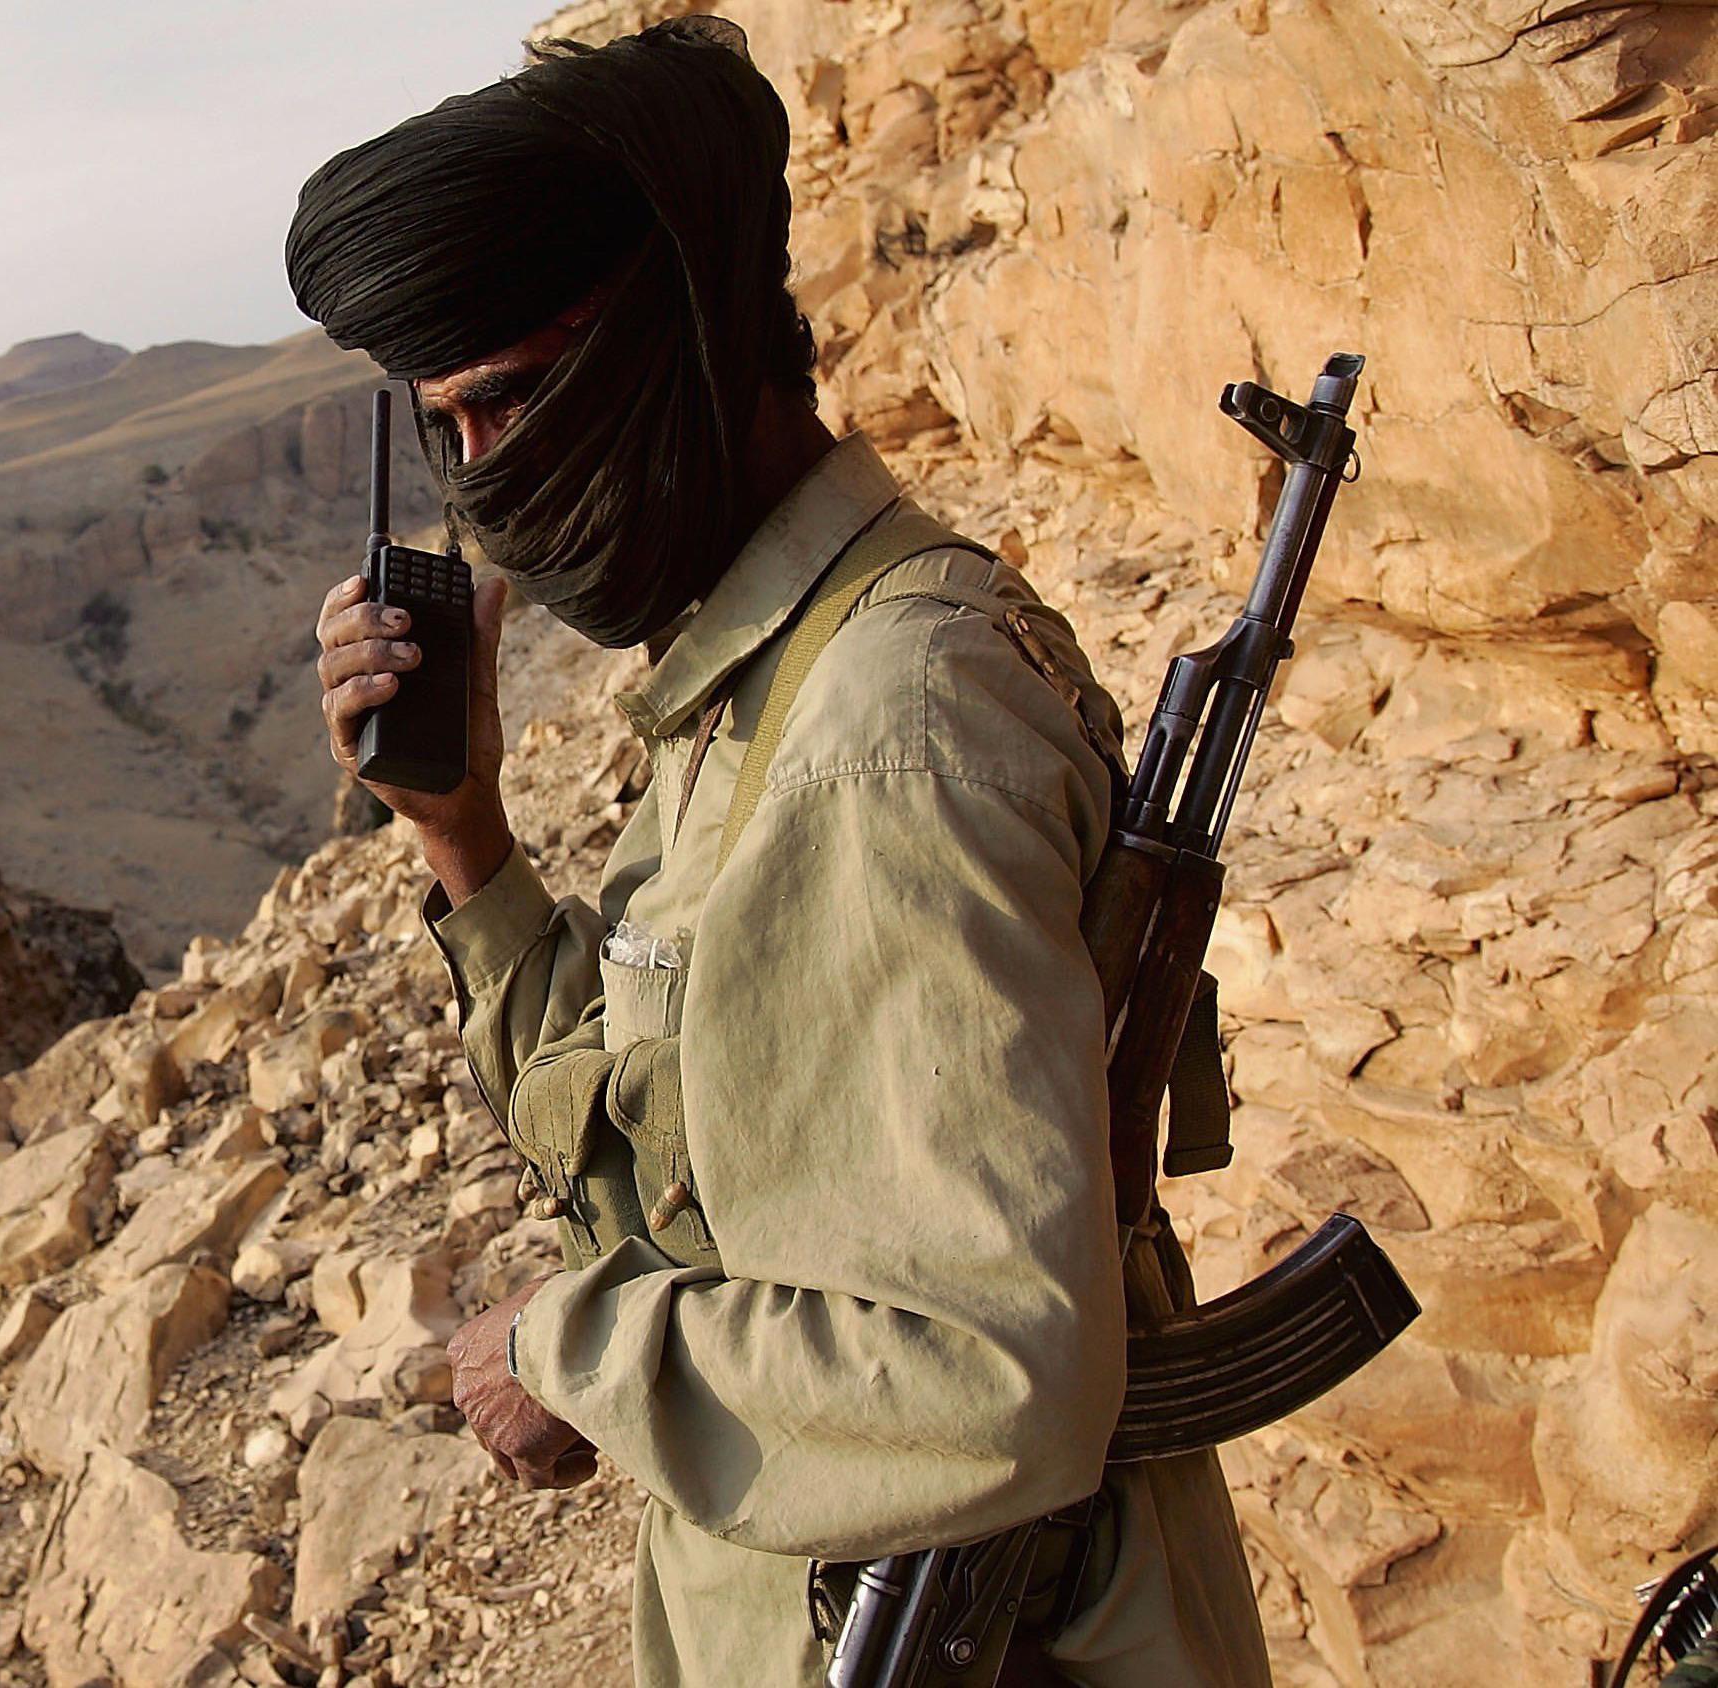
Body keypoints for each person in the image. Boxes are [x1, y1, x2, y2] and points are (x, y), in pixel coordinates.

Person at [288, 18, 1272, 1687]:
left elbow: (987, 1376)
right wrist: (465, 842)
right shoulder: (773, 675)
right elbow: (677, 1183)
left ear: (673, 342)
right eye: (443, 434)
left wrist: (573, 1347)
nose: (488, 481)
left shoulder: (884, 726)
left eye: (513, 402)